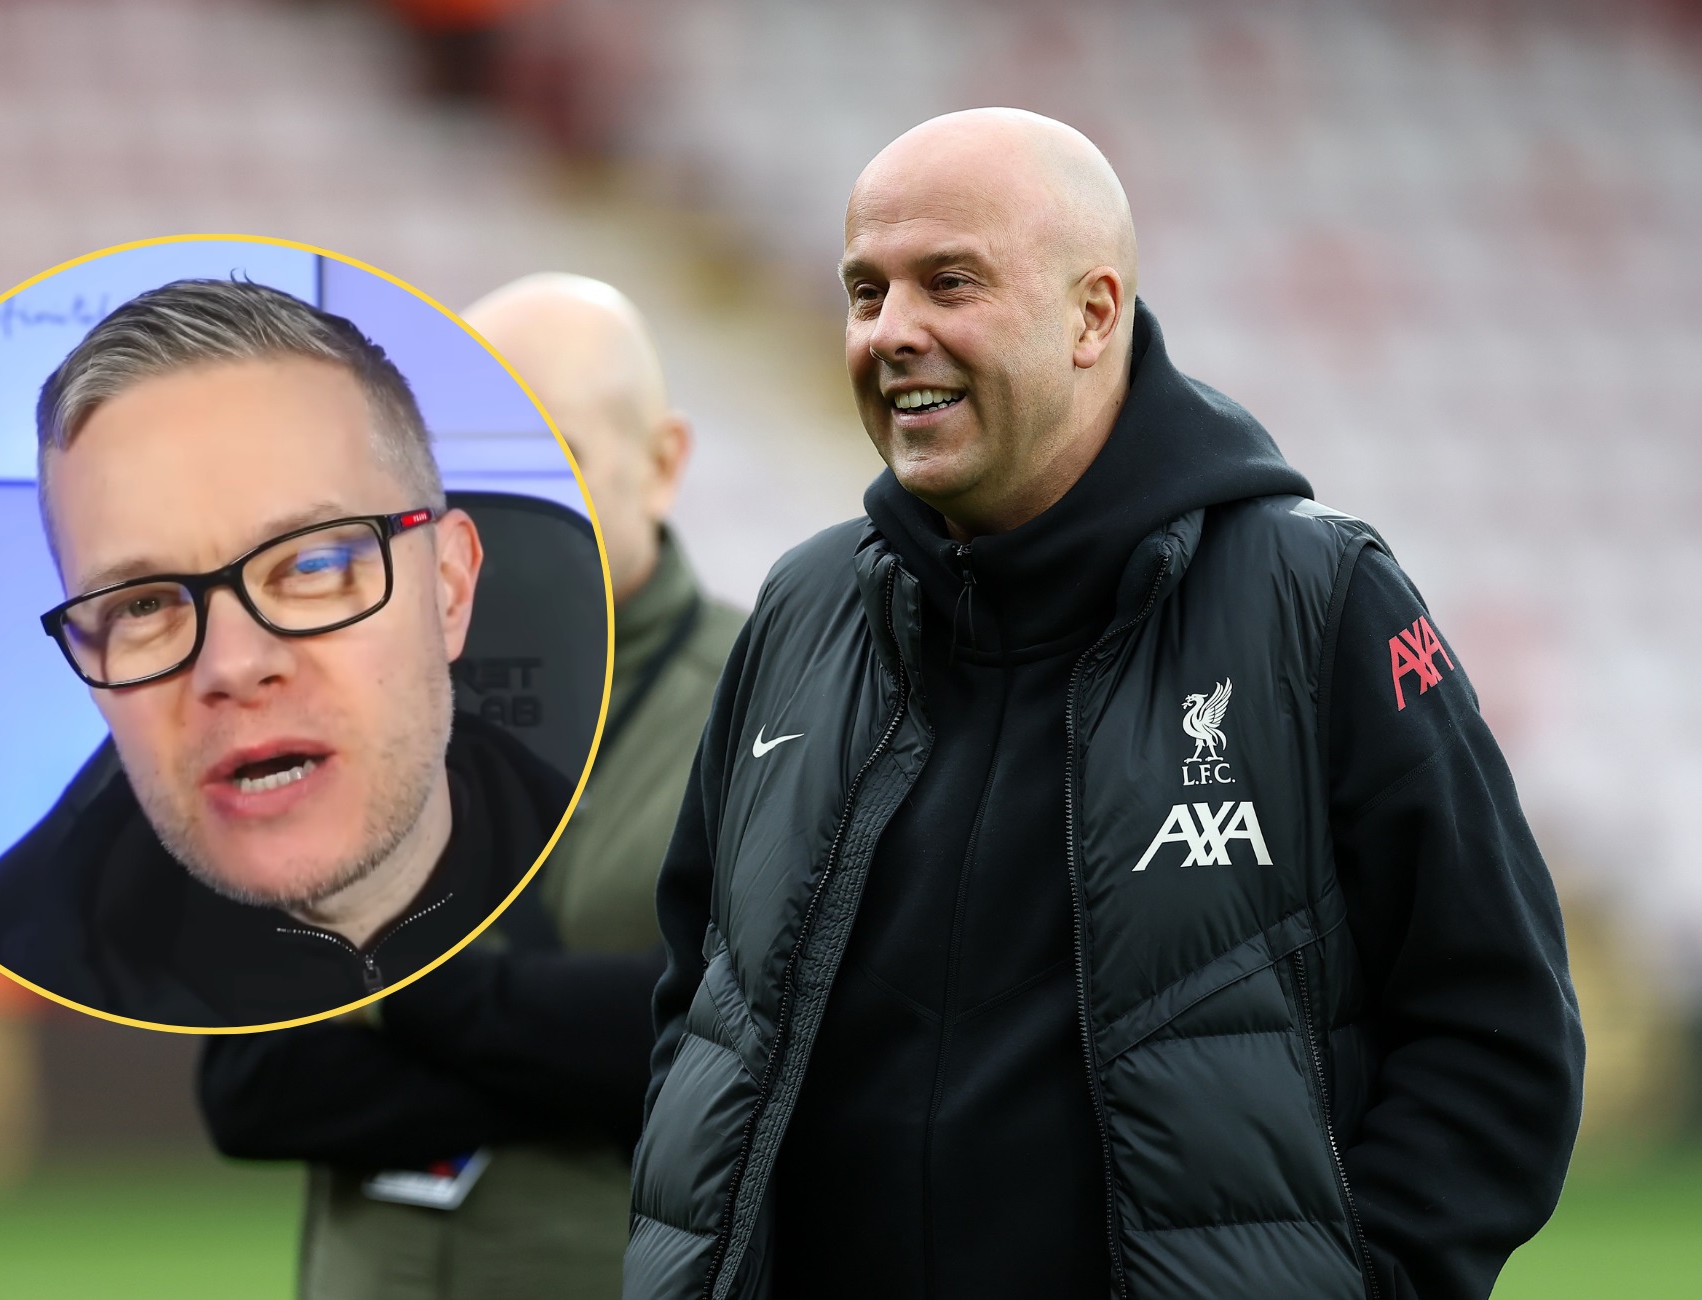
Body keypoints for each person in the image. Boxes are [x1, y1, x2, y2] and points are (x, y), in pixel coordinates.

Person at [627, 109, 1584, 1300]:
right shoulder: (802, 605)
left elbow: (1494, 1031)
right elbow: (699, 1006)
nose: (892, 333)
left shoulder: (1315, 600)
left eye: (948, 282)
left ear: (1091, 314)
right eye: (864, 292)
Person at [199, 274, 744, 1297]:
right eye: (471, 472)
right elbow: (250, 1088)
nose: (503, 517)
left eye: (558, 460)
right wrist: (583, 1047)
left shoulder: (773, 706)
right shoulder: (340, 705)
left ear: (662, 465)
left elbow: (751, 1057)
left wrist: (404, 985)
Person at [0, 278, 572, 1028]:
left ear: (448, 588)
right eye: (143, 605)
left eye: (309, 566)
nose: (234, 665)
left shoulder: (668, 900)